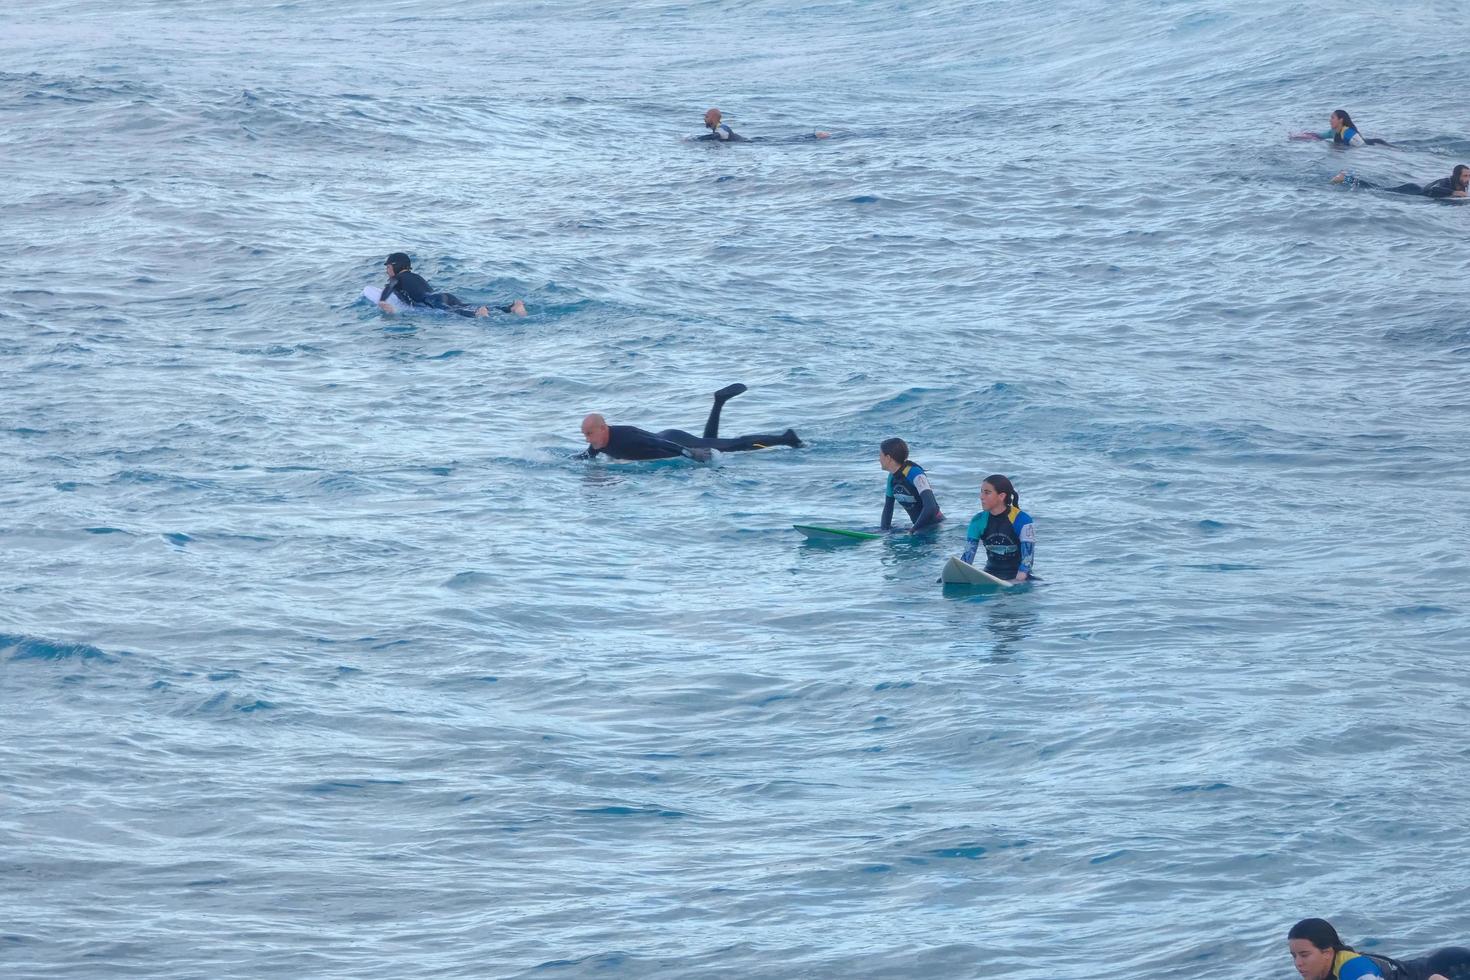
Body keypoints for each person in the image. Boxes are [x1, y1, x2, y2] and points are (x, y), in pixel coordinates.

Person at [576, 384, 803, 461]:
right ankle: (719, 402)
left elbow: (657, 444)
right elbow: (585, 458)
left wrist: (688, 452)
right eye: (585, 434)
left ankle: (786, 438)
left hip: (672, 440)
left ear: (603, 428)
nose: (587, 438)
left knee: (732, 446)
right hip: (667, 438)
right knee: (710, 443)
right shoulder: (599, 442)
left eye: (589, 433)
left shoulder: (626, 436)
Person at [1287, 918, 1470, 980]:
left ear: (1327, 952)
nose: (1298, 963)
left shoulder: (1354, 970)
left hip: (1453, 968)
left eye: (1304, 955)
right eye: (1294, 956)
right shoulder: (1322, 972)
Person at [376, 252, 527, 318]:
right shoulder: (415, 276)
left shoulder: (398, 278)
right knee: (465, 305)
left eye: (388, 267)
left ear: (396, 266)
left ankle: (477, 314)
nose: (387, 271)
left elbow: (392, 284)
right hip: (444, 296)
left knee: (454, 313)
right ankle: (511, 307)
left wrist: (382, 300)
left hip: (432, 301)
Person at [960, 475, 1035, 582]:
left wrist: (1016, 582)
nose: (981, 496)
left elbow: (1027, 561)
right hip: (990, 575)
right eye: (981, 492)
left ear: (1001, 496)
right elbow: (967, 558)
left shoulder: (1023, 520)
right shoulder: (978, 521)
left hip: (1019, 577)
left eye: (987, 492)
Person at [878, 438, 942, 534]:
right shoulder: (892, 477)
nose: (879, 459)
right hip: (919, 528)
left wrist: (912, 531)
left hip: (936, 527)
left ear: (888, 458)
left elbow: (931, 507)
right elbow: (888, 508)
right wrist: (884, 531)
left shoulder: (915, 473)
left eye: (880, 455)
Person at [691, 107, 830, 143]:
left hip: (751, 143)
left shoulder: (723, 128)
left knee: (788, 141)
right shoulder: (718, 129)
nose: (704, 119)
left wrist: (696, 139)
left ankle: (814, 135)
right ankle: (814, 135)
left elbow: (719, 136)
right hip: (749, 142)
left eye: (706, 116)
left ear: (714, 117)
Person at [1331, 163, 1469, 198]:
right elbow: (1434, 189)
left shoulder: (1460, 185)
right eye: (1465, 176)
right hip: (1411, 190)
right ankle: (1345, 178)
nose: (1468, 179)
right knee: (1375, 188)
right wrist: (1455, 193)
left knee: (1376, 187)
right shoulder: (1447, 182)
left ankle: (1346, 178)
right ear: (1457, 176)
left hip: (1415, 192)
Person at [1290, 109, 1390, 147]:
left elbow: (1363, 148)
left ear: (1340, 120)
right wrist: (1300, 136)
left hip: (1376, 144)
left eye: (1332, 118)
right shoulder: (1333, 131)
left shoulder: (1348, 133)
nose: (1330, 120)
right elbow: (1318, 136)